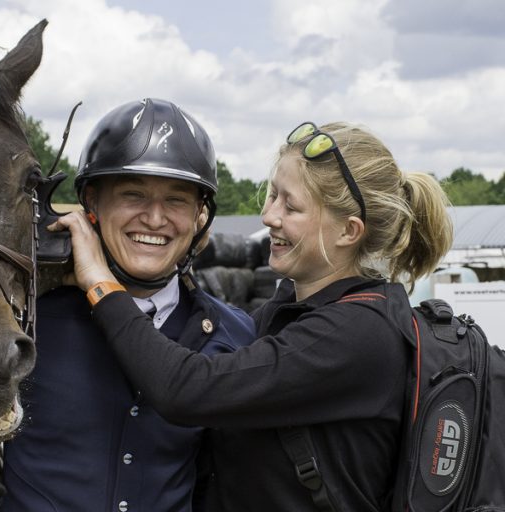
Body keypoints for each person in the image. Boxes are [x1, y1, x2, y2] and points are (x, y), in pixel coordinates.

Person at [55, 121, 454, 511]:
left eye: (291, 206)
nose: (269, 217)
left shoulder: (358, 334)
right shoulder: (285, 314)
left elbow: (187, 389)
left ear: (348, 232)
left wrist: (99, 283)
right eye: (273, 195)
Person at [0, 98, 257, 511]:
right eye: (134, 195)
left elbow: (228, 479)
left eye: (176, 200)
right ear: (92, 206)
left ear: (199, 216)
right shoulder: (27, 324)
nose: (155, 219)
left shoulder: (235, 334)